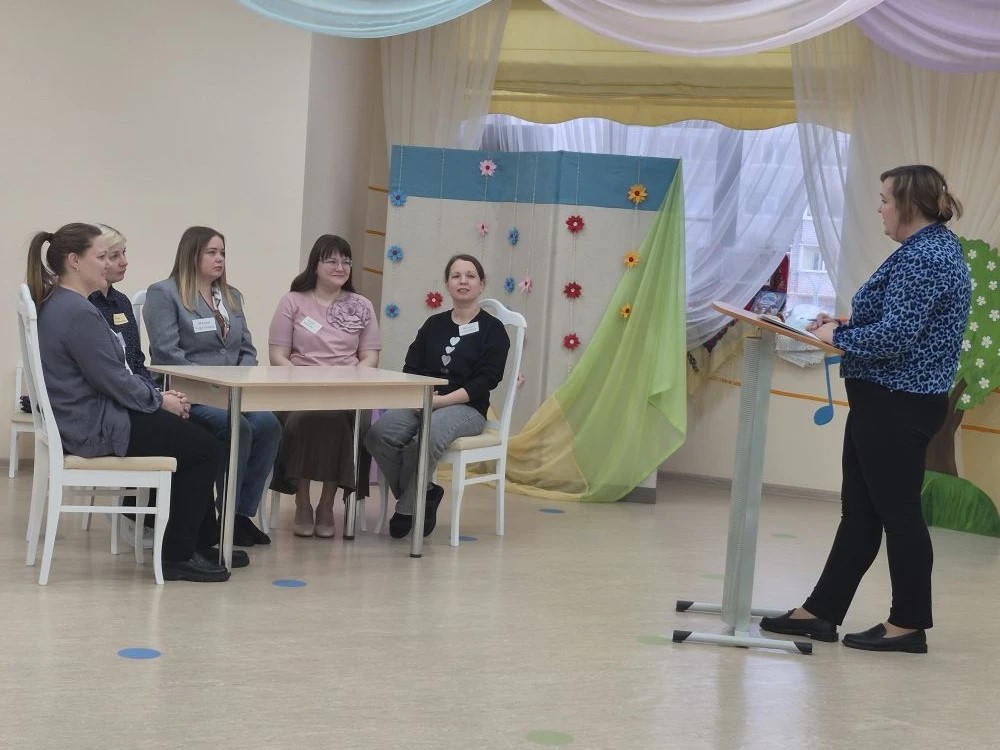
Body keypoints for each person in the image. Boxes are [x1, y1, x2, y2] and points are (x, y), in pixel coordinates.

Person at [760, 165, 970, 653]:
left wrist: (838, 336)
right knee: (860, 512)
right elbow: (902, 320)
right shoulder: (927, 250)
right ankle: (820, 612)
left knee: (898, 514)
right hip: (887, 400)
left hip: (898, 402)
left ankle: (908, 625)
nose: (879, 208)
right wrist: (846, 324)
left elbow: (897, 336)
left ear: (909, 205)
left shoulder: (926, 256)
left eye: (884, 199)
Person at [26, 223, 232, 582]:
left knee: (198, 434)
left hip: (88, 418)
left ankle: (197, 543)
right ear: (75, 261)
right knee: (204, 448)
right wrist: (160, 400)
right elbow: (113, 379)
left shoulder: (61, 303)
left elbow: (113, 375)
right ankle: (178, 555)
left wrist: (159, 400)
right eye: (101, 257)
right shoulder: (76, 312)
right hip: (95, 427)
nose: (108, 264)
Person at [144, 226, 281, 548]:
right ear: (191, 254)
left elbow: (246, 349)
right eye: (212, 252)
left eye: (223, 253)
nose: (219, 259)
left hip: (232, 391)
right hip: (189, 393)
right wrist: (213, 385)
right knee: (238, 428)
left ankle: (239, 515)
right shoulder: (165, 293)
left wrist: (238, 379)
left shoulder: (231, 296)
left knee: (269, 425)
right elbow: (167, 352)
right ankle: (222, 515)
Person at [366, 254, 510, 539]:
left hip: (465, 407)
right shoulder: (434, 324)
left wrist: (442, 401)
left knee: (426, 439)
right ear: (447, 284)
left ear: (481, 284)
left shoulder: (493, 330)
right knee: (377, 434)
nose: (463, 281)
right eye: (456, 276)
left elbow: (486, 381)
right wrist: (419, 398)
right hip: (422, 400)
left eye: (470, 276)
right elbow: (411, 367)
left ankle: (407, 508)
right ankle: (427, 492)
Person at [268, 235, 381, 538]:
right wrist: (303, 382)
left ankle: (327, 504)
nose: (340, 267)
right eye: (332, 260)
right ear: (315, 265)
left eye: (346, 261)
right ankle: (303, 501)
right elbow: (277, 356)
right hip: (299, 389)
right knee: (303, 420)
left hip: (346, 392)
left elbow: (370, 357)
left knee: (340, 423)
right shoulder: (293, 301)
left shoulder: (362, 305)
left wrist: (350, 381)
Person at [87, 223, 159, 550]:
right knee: (178, 429)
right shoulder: (84, 306)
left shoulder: (122, 302)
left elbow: (137, 360)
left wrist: (156, 394)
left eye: (123, 254)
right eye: (114, 256)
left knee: (189, 418)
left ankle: (160, 516)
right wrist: (151, 400)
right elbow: (106, 374)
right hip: (109, 402)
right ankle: (135, 512)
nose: (124, 262)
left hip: (134, 391)